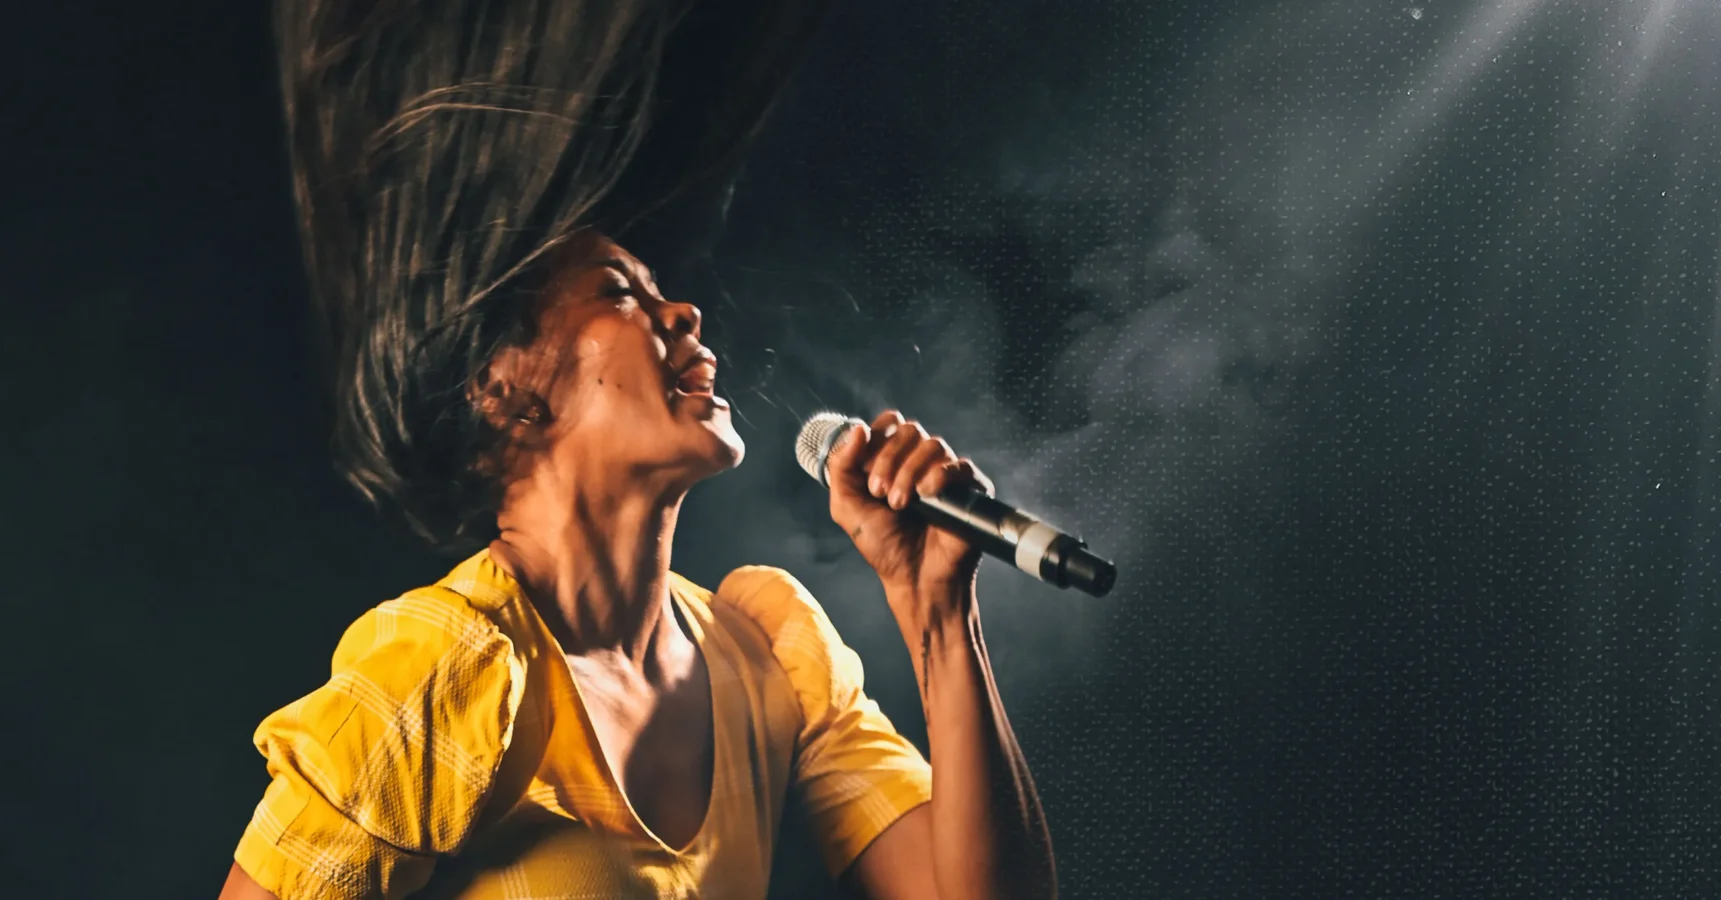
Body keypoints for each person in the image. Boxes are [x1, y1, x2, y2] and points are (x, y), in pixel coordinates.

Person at [222, 2, 1056, 898]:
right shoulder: (452, 669)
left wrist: (935, 612)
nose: (682, 313)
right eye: (620, 292)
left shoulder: (767, 652)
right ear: (502, 389)